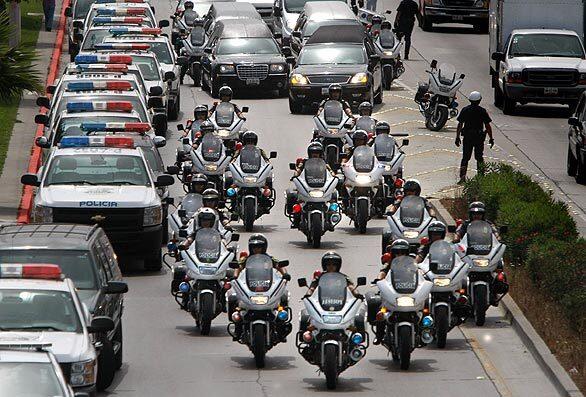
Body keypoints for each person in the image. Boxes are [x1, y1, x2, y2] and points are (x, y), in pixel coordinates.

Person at [455, 91, 494, 184]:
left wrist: (457, 137)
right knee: (479, 157)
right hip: (479, 137)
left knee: (465, 157)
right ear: (480, 100)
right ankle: (481, 177)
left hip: (468, 137)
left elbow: (460, 124)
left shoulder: (465, 110)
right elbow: (487, 126)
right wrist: (491, 138)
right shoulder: (482, 111)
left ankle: (462, 177)